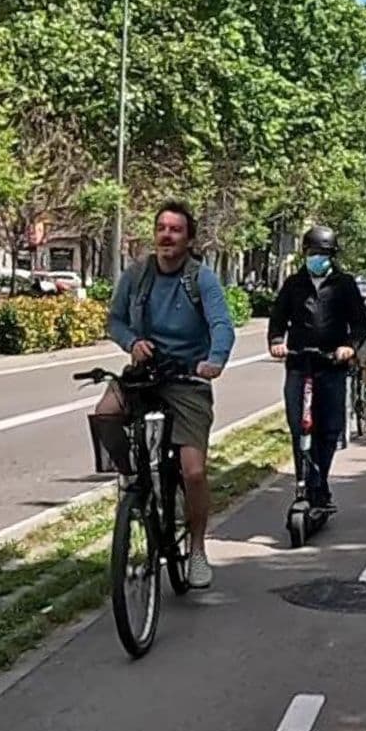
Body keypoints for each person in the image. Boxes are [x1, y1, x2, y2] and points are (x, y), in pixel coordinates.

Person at [95, 201, 236, 588]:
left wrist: (215, 360)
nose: (166, 235)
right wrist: (131, 341)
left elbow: (222, 325)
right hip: (145, 373)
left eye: (175, 229)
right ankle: (134, 484)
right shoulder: (137, 276)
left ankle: (196, 550)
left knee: (193, 472)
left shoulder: (200, 279)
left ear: (188, 239)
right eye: (161, 227)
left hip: (187, 379)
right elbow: (115, 320)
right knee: (105, 412)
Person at [268, 226, 366, 512]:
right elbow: (278, 319)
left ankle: (319, 481)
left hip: (331, 366)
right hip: (300, 364)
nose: (318, 259)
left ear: (332, 256)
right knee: (299, 425)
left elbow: (360, 326)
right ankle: (303, 482)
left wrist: (349, 347)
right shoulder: (293, 284)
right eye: (313, 253)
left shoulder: (344, 284)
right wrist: (277, 341)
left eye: (323, 254)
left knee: (328, 429)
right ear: (305, 254)